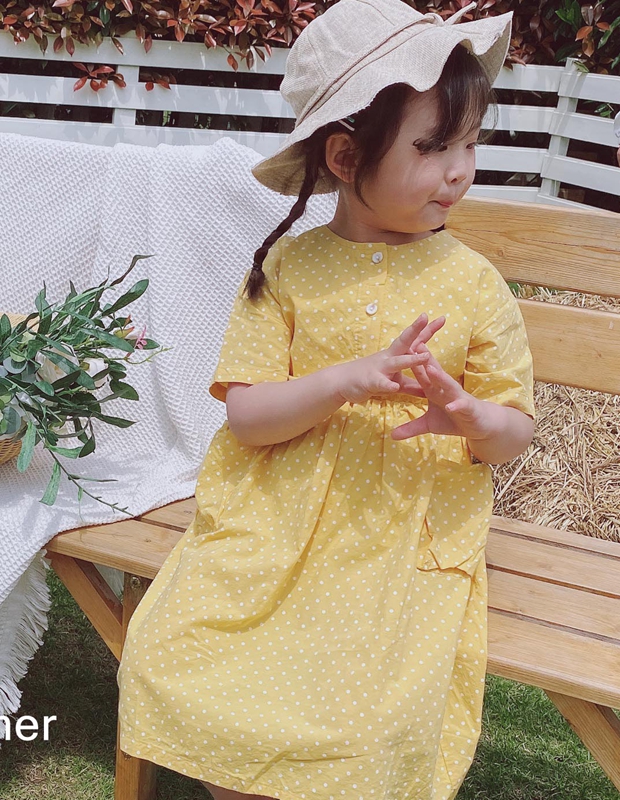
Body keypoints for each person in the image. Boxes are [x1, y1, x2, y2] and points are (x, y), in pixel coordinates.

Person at [116, 1, 536, 799]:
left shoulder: (475, 285)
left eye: (470, 143)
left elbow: (512, 429)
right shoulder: (289, 269)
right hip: (275, 521)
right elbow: (248, 417)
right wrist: (345, 380)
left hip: (396, 530)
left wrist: (471, 418)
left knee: (365, 714)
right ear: (344, 156)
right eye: (433, 146)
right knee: (175, 660)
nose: (459, 169)